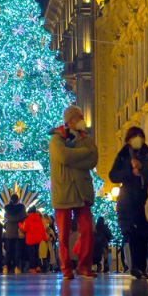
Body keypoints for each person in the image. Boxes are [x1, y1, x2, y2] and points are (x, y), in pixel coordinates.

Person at [50, 105, 98, 280]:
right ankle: (66, 268)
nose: (82, 119)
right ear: (70, 120)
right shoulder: (56, 138)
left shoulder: (86, 138)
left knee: (86, 230)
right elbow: (62, 157)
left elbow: (93, 159)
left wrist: (74, 157)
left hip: (82, 190)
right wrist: (83, 154)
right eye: (79, 116)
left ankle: (84, 266)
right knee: (63, 234)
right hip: (63, 191)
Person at [109, 126, 148, 279]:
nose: (137, 139)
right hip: (128, 200)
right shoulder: (123, 156)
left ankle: (141, 268)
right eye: (134, 137)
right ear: (128, 140)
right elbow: (113, 176)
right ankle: (136, 267)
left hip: (145, 200)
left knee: (144, 235)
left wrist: (142, 170)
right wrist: (130, 172)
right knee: (133, 234)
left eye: (140, 136)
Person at [3, 194, 27, 274]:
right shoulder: (21, 208)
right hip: (18, 231)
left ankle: (5, 267)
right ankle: (17, 267)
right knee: (17, 250)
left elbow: (6, 216)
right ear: (18, 200)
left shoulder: (7, 208)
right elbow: (24, 216)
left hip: (9, 230)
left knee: (8, 250)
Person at [19, 207, 48, 273]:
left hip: (30, 239)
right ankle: (38, 267)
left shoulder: (27, 219)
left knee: (31, 254)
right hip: (38, 239)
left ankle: (32, 268)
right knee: (37, 253)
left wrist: (20, 224)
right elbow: (42, 229)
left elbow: (24, 229)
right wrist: (45, 238)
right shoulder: (39, 219)